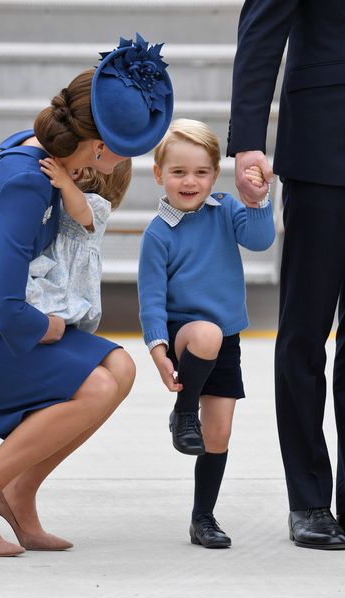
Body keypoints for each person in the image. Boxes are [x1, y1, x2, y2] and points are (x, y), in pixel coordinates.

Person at [0, 34, 173, 557]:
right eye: (123, 155)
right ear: (98, 148)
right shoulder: (27, 183)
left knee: (120, 370)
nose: (119, 168)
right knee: (94, 386)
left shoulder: (41, 152)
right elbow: (10, 309)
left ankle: (18, 492)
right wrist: (54, 328)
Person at [227, 1, 345, 550]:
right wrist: (249, 137)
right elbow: (262, 24)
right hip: (325, 142)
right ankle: (309, 501)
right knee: (304, 331)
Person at [138, 119, 274, 548]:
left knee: (218, 435)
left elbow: (261, 240)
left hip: (225, 342)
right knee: (207, 334)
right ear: (159, 175)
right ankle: (184, 410)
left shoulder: (226, 210)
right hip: (186, 336)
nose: (190, 181)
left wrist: (257, 201)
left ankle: (203, 518)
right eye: (178, 172)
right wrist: (158, 347)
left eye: (200, 172)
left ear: (215, 175)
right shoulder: (159, 234)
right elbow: (151, 298)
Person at [0, 157, 131, 354]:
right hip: (46, 269)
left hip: (61, 285)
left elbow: (80, 211)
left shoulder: (97, 206)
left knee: (10, 290)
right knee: (5, 284)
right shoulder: (64, 195)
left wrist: (65, 181)